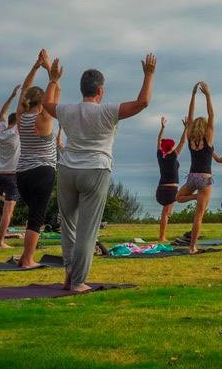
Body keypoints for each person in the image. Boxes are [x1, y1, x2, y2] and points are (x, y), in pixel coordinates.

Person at [43, 54, 156, 291]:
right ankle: (78, 282)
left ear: (82, 89)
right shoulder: (107, 111)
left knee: (68, 225)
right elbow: (142, 103)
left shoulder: (68, 110)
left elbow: (46, 105)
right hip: (95, 169)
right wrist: (148, 74)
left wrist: (53, 80)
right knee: (88, 230)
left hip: (67, 169)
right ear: (100, 91)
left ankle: (69, 271)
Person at [13, 51, 63, 268]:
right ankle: (28, 260)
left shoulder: (21, 117)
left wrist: (35, 67)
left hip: (22, 174)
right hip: (42, 171)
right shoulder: (45, 118)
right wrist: (50, 72)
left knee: (33, 215)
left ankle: (26, 255)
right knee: (37, 217)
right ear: (42, 102)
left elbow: (24, 91)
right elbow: (56, 94)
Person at [175, 82, 216, 254]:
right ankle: (192, 247)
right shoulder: (208, 137)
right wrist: (207, 94)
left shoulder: (191, 138)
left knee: (178, 197)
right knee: (198, 216)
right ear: (205, 127)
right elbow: (211, 114)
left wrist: (192, 95)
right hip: (205, 179)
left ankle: (193, 198)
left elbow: (189, 118)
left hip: (192, 177)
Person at [0, 85, 22, 249]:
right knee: (8, 211)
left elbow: (2, 113)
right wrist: (23, 97)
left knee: (7, 202)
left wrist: (12, 95)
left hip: (0, 174)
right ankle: (0, 242)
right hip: (12, 176)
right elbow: (20, 114)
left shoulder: (0, 132)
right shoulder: (16, 132)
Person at [155, 116, 187, 243]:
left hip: (161, 188)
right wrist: (186, 129)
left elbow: (158, 141)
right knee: (166, 213)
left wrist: (162, 128)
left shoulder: (160, 156)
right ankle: (161, 236)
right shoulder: (173, 156)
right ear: (171, 148)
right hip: (170, 190)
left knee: (166, 213)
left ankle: (162, 235)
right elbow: (183, 142)